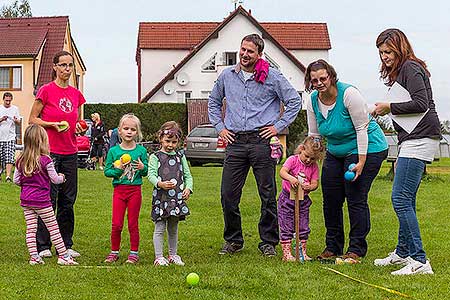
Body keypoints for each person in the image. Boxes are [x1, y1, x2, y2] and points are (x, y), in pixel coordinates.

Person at [208, 34, 301, 257]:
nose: (245, 54)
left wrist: (277, 127)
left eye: (250, 51)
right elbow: (213, 102)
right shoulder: (227, 76)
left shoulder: (273, 77)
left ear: (259, 54)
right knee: (228, 194)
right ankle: (233, 240)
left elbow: (294, 101)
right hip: (236, 142)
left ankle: (268, 241)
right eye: (242, 49)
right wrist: (220, 128)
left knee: (267, 194)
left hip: (262, 141)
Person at [372, 29, 440, 275]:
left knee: (399, 199)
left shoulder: (411, 67)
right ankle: (403, 252)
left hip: (420, 139)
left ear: (400, 48)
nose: (384, 57)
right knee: (406, 198)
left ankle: (420, 261)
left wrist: (388, 106)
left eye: (388, 52)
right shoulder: (403, 70)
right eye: (381, 53)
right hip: (411, 139)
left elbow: (421, 104)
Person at [305, 59, 388, 263]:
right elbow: (315, 134)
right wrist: (309, 155)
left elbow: (361, 130)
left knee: (355, 196)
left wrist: (360, 162)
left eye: (323, 78)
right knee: (331, 199)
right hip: (335, 150)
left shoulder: (349, 95)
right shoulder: (312, 101)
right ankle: (332, 247)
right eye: (314, 80)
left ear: (331, 77)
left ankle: (356, 249)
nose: (319, 83)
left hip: (368, 147)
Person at [29, 50, 86, 259]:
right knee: (47, 198)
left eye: (70, 65)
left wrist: (80, 128)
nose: (67, 69)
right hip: (49, 153)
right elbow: (32, 119)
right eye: (63, 65)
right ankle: (43, 245)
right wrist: (51, 125)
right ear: (54, 67)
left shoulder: (76, 94)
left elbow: (78, 122)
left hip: (71, 152)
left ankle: (66, 244)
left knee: (68, 200)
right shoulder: (46, 91)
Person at [13, 124, 78, 265]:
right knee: (53, 228)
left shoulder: (20, 160)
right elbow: (55, 179)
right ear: (42, 141)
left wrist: (26, 185)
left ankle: (34, 257)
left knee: (31, 229)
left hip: (26, 201)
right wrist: (62, 177)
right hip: (42, 201)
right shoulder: (46, 160)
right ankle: (63, 256)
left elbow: (16, 180)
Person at [103, 114, 148, 264]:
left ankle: (134, 253)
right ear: (119, 131)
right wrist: (118, 170)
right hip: (119, 191)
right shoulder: (113, 151)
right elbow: (107, 171)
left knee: (132, 223)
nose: (129, 132)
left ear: (137, 132)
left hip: (135, 191)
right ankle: (114, 251)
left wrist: (142, 168)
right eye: (126, 128)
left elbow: (146, 171)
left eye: (133, 129)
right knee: (116, 224)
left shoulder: (141, 151)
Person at [148, 121, 193, 266]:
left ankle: (173, 255)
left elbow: (188, 175)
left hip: (176, 199)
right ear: (160, 138)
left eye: (174, 142)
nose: (170, 145)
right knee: (160, 227)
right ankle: (159, 257)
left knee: (173, 228)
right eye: (167, 141)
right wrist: (159, 183)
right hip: (161, 198)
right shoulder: (155, 156)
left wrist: (188, 188)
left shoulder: (181, 156)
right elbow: (151, 174)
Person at [278, 136, 323, 261]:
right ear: (301, 149)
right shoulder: (293, 160)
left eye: (313, 158)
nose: (309, 160)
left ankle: (302, 252)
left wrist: (310, 186)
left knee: (303, 226)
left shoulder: (314, 167)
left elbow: (315, 183)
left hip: (303, 201)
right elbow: (282, 172)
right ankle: (287, 254)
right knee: (286, 225)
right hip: (287, 200)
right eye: (307, 156)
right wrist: (291, 178)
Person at [0, 92, 21, 182]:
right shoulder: (0, 108)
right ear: (3, 99)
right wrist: (1, 119)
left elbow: (19, 122)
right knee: (0, 157)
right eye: (6, 101)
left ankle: (8, 176)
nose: (8, 102)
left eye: (9, 100)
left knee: (9, 157)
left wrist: (16, 120)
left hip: (10, 137)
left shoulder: (15, 109)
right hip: (0, 136)